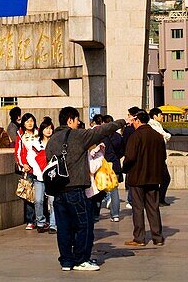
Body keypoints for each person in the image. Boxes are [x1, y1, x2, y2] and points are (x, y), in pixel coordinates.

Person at [44, 106, 126, 271]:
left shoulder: (52, 139)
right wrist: (121, 122)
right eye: (76, 120)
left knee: (64, 227)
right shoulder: (77, 136)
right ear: (70, 120)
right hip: (75, 189)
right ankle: (82, 259)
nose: (78, 123)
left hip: (58, 190)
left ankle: (66, 261)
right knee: (84, 224)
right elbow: (101, 131)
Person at [122, 111, 166, 247]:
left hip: (137, 177)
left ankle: (139, 238)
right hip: (153, 177)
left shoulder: (136, 136)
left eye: (134, 120)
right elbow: (163, 157)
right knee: (153, 207)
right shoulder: (158, 136)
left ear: (138, 120)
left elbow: (130, 157)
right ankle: (157, 237)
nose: (133, 123)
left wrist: (125, 169)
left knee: (138, 208)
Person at [13, 113, 41, 229]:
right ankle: (31, 220)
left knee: (41, 195)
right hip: (28, 169)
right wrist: (23, 164)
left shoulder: (39, 132)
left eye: (31, 121)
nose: (30, 123)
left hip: (40, 168)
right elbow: (18, 152)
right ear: (23, 123)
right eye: (27, 121)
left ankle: (42, 219)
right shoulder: (20, 135)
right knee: (29, 195)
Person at [99, 114, 125, 223]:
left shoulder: (101, 136)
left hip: (103, 167)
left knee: (98, 190)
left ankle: (95, 214)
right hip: (115, 165)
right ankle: (115, 215)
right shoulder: (118, 136)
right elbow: (122, 151)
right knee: (114, 191)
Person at [147, 107, 173, 205]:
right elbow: (165, 135)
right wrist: (166, 136)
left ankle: (159, 199)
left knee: (162, 178)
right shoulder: (153, 126)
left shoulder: (157, 125)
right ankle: (158, 199)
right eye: (160, 115)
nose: (162, 116)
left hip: (159, 156)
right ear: (155, 116)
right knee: (165, 178)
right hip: (156, 157)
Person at [38, 118, 57, 232]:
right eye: (46, 128)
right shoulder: (37, 143)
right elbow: (31, 158)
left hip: (53, 176)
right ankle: (40, 222)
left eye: (50, 128)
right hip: (40, 175)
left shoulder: (56, 142)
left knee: (52, 201)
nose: (49, 131)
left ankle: (53, 224)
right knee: (38, 200)